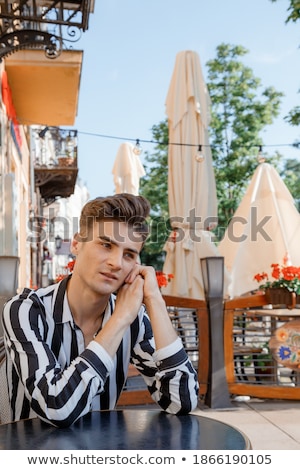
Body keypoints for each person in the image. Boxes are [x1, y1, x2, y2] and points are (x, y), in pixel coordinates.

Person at [2, 194, 199, 428]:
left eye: (128, 254)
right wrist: (120, 319)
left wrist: (155, 300)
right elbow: (56, 408)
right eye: (106, 245)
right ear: (76, 244)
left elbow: (183, 401)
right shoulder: (26, 310)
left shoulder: (134, 320)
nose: (116, 262)